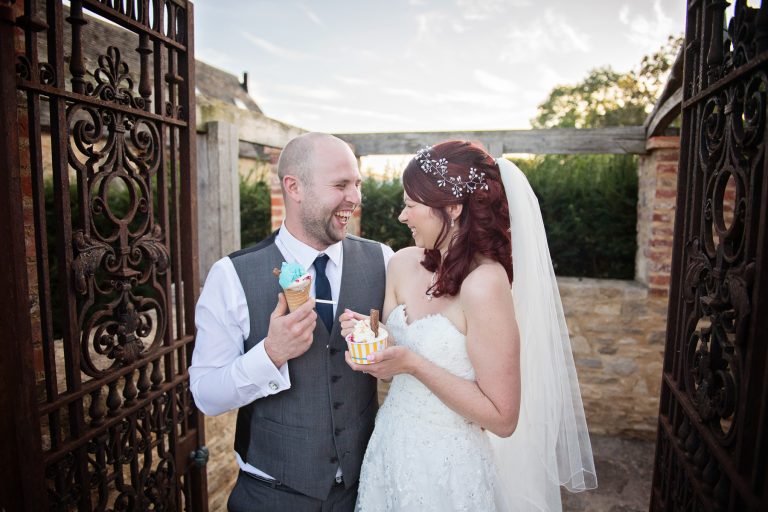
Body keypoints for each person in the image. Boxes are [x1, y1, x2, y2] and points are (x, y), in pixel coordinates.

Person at [340, 140, 597, 511]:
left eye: (411, 205)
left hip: (450, 466)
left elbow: (502, 418)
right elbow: (389, 369)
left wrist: (412, 363)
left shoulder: (485, 284)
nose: (402, 216)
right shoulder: (401, 263)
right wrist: (373, 337)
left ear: (454, 208)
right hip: (390, 445)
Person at [190, 132, 394, 511]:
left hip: (365, 491)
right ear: (293, 187)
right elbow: (206, 395)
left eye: (358, 184)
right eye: (341, 185)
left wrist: (384, 348)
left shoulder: (383, 261)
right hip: (271, 495)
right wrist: (269, 354)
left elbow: (403, 360)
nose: (355, 197)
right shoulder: (231, 275)